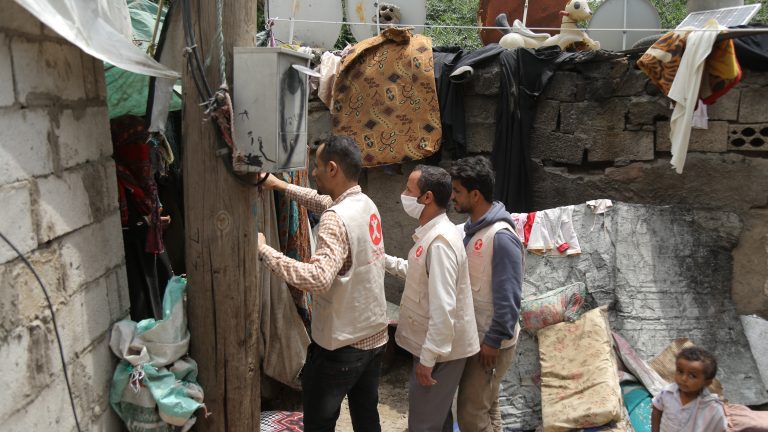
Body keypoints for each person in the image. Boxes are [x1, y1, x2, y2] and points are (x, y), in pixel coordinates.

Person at [256, 135, 389, 432]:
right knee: (367, 418)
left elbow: (317, 278)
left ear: (332, 168)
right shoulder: (364, 203)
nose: (313, 172)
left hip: (342, 347)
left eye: (316, 167)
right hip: (375, 336)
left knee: (319, 422)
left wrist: (265, 251)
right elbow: (323, 201)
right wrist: (279, 185)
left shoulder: (334, 219)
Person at [384, 165, 480, 432]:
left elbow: (444, 309)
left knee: (423, 425)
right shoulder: (432, 236)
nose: (403, 194)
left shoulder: (440, 243)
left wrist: (427, 360)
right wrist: (384, 260)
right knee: (438, 419)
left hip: (440, 352)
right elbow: (418, 274)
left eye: (408, 190)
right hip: (437, 347)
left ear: (426, 197)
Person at [448, 156, 524, 432]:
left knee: (471, 415)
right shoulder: (472, 231)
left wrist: (492, 340)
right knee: (488, 406)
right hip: (478, 339)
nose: (452, 197)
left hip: (491, 344)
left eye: (457, 191)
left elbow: (510, 297)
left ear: (475, 195)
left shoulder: (500, 237)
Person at [651, 346, 727, 432]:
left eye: (692, 376)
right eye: (680, 371)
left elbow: (720, 429)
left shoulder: (712, 408)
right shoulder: (666, 393)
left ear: (707, 382)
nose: (683, 378)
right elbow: (657, 409)